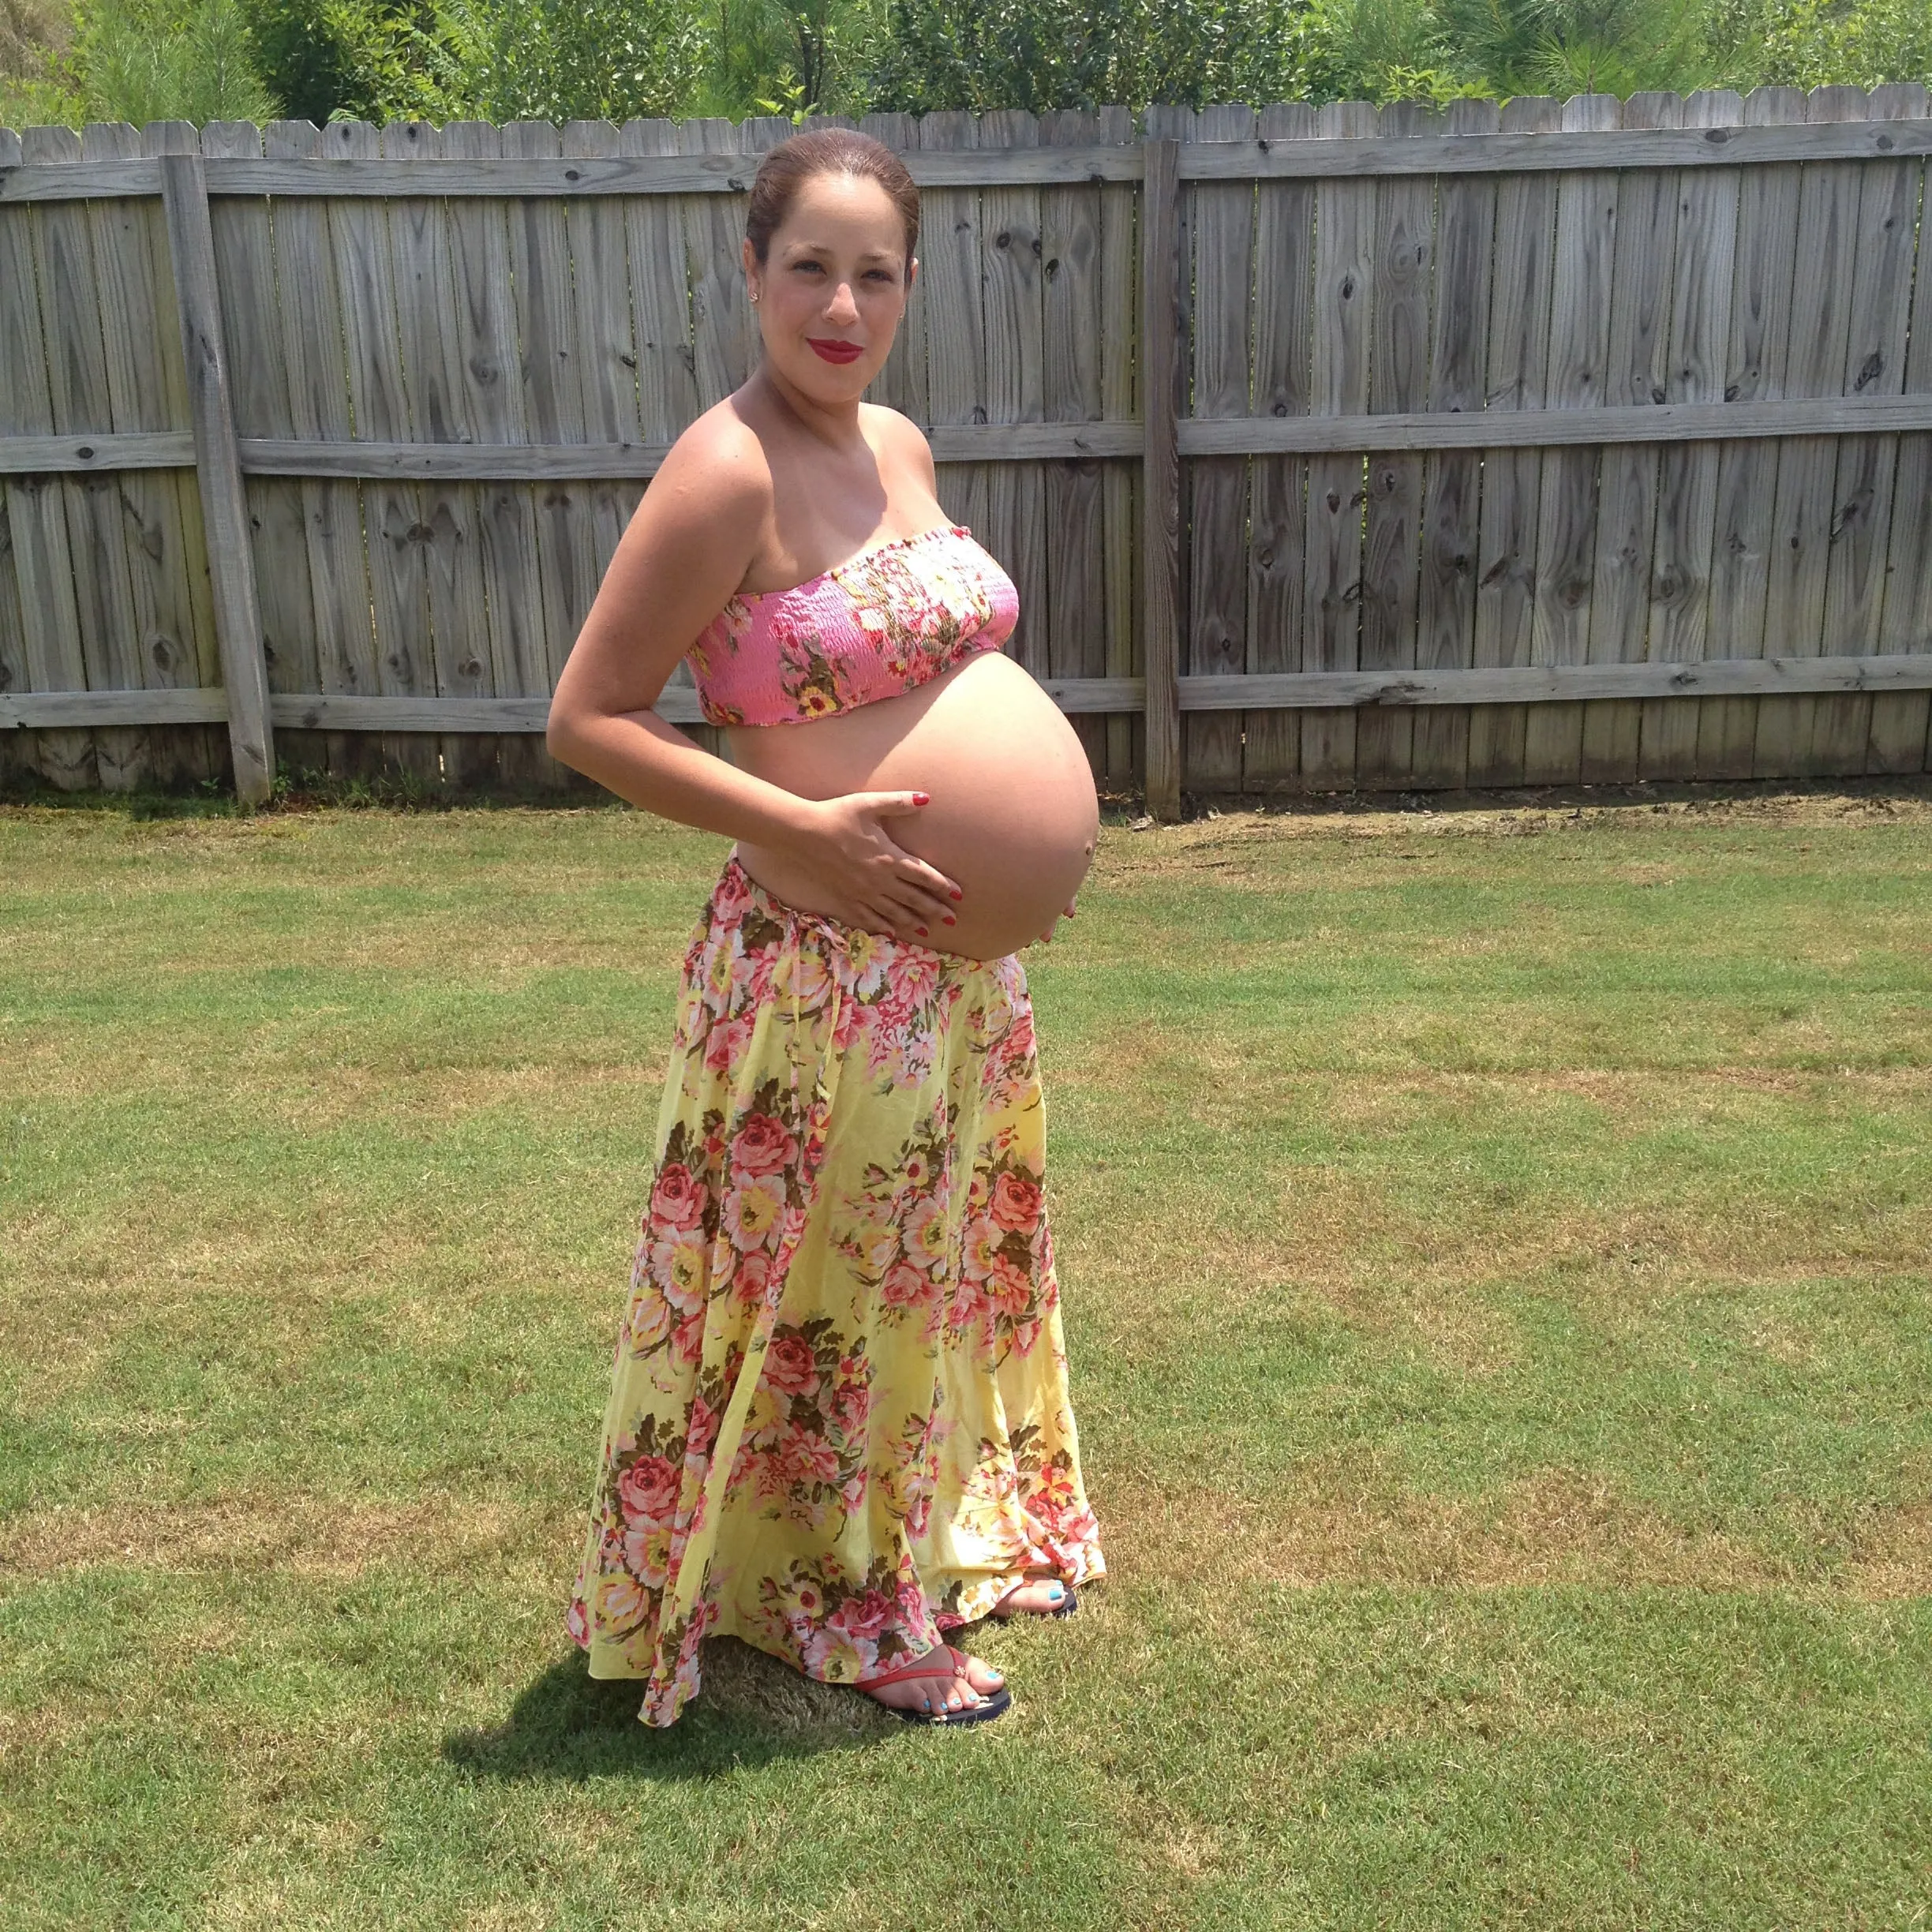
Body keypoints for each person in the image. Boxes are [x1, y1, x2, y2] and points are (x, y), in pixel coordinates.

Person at [546, 126, 1105, 1728]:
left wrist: (1020, 864)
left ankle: (901, 1546)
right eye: (810, 266)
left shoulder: (899, 447)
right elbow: (589, 718)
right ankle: (839, 1612)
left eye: (876, 272)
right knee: (832, 1304)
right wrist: (802, 833)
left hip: (941, 977)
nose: (841, 304)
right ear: (751, 270)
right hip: (817, 978)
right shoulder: (723, 468)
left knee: (916, 1283)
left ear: (913, 284)